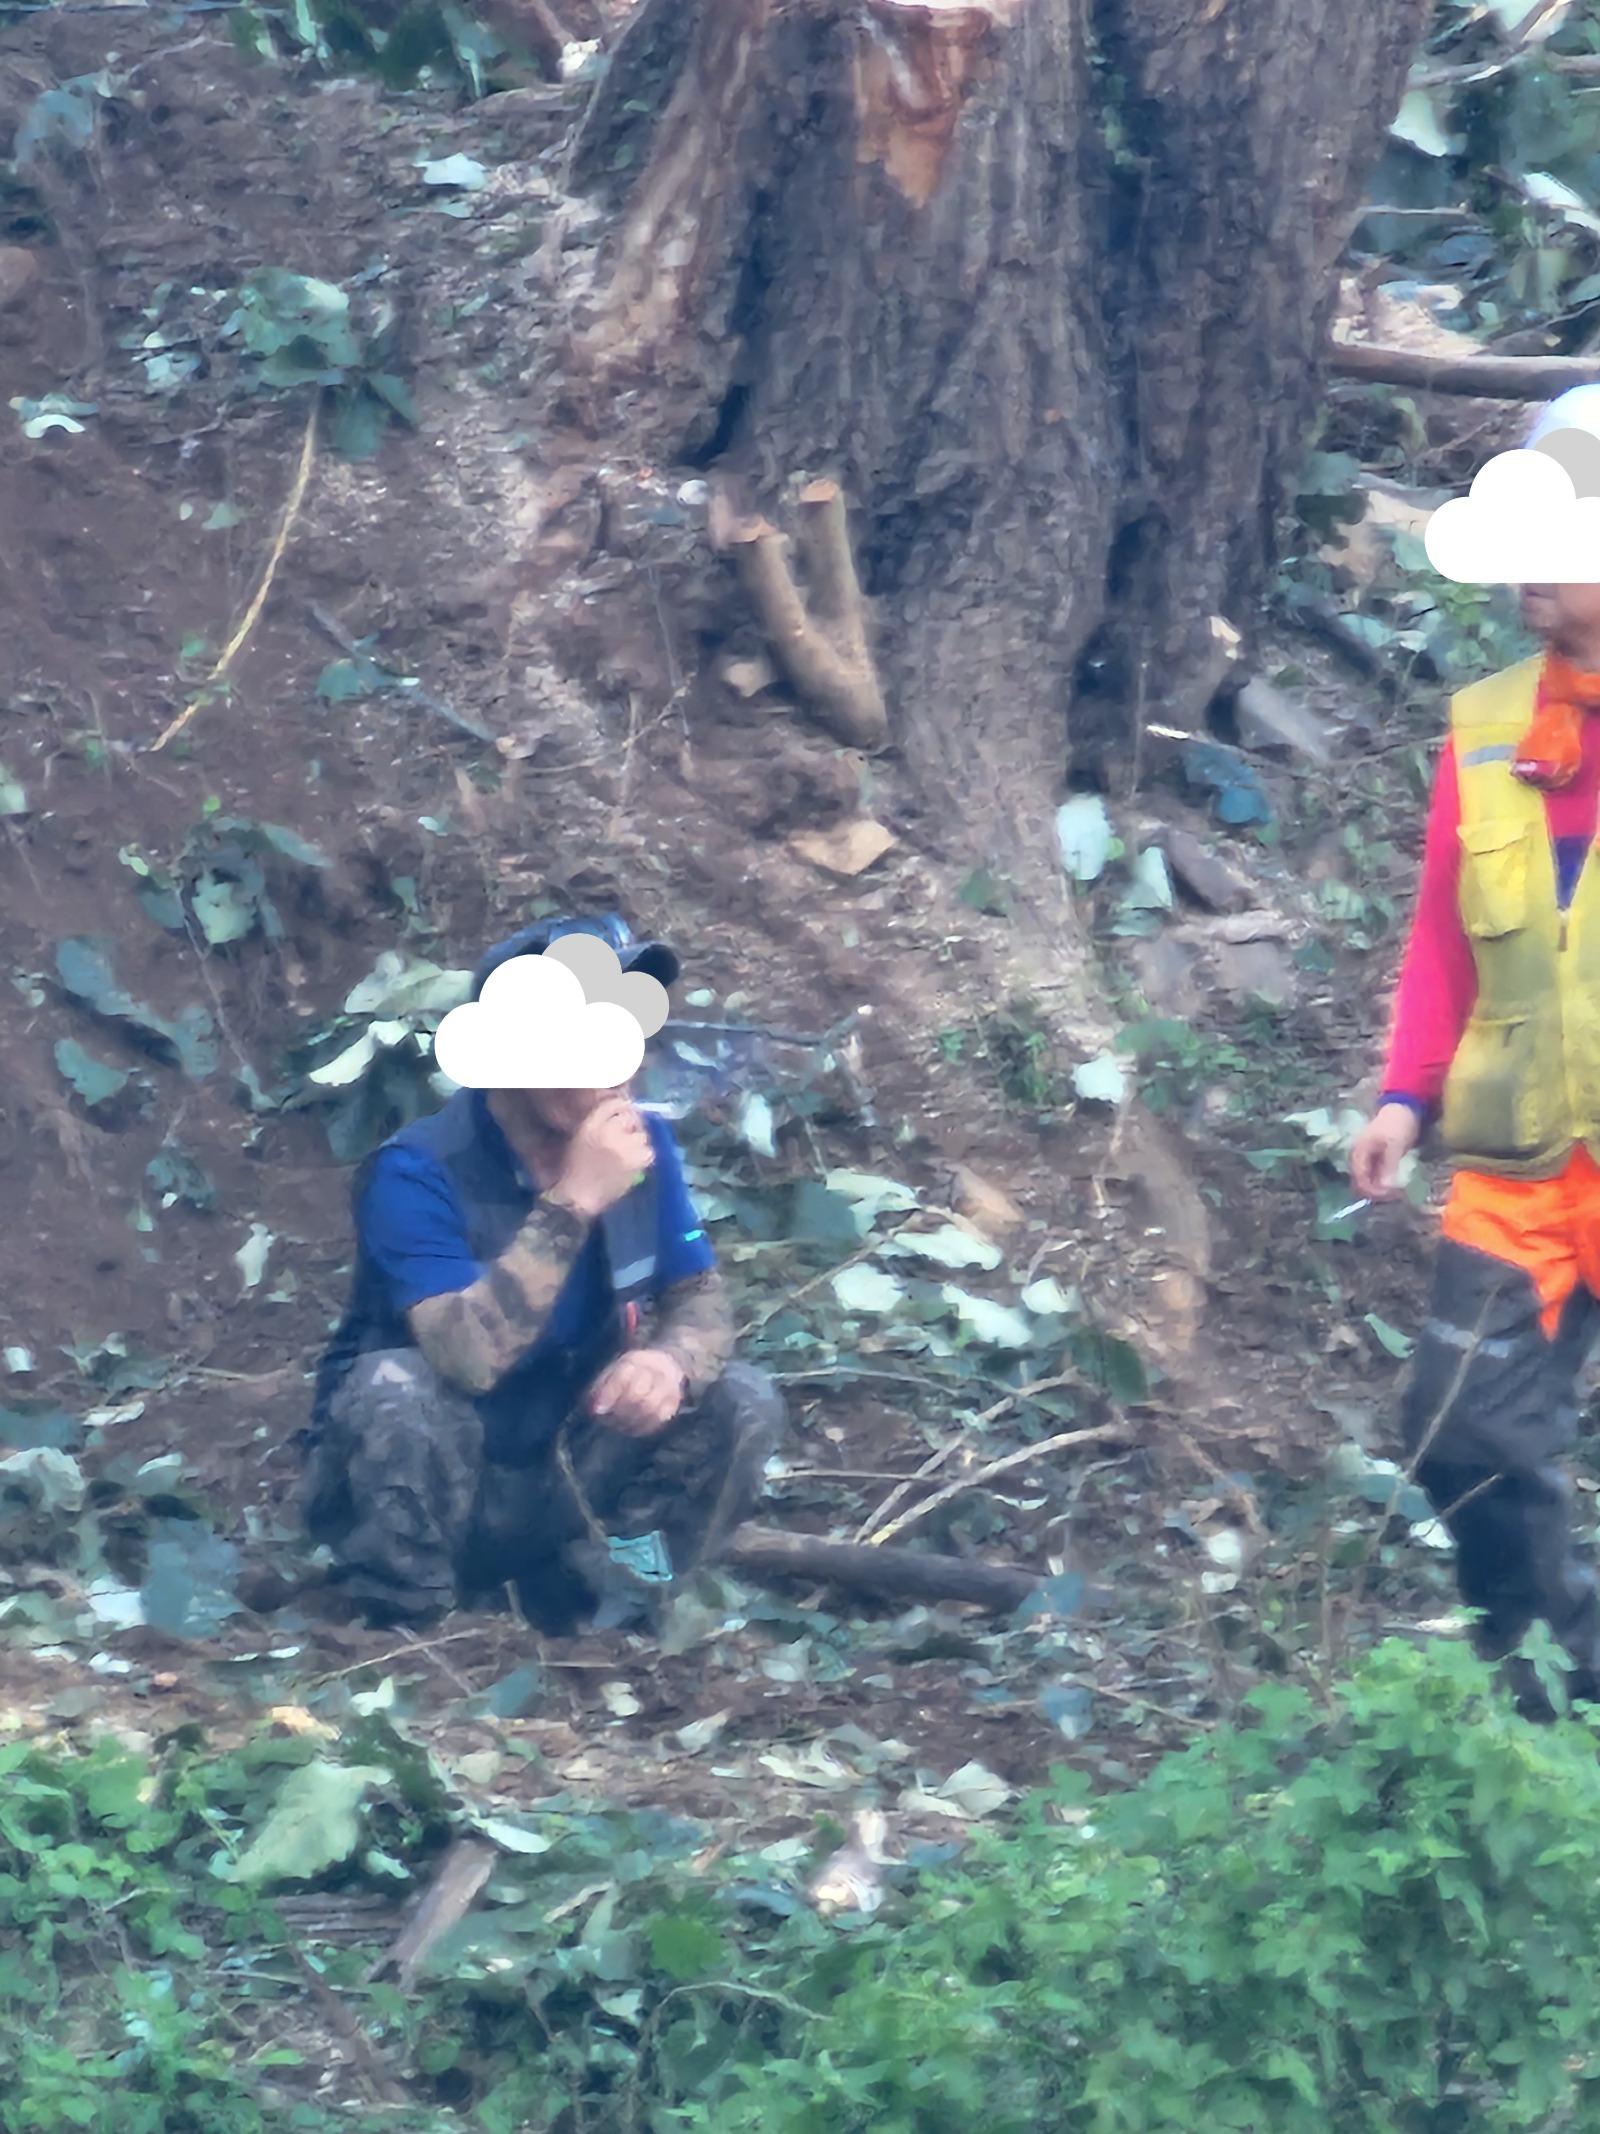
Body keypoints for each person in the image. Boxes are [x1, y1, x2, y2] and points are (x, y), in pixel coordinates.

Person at [301, 914, 783, 1631]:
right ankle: (415, 1628)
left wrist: (669, 1363)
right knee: (393, 1389)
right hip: (434, 1481)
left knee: (742, 1400)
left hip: (566, 1465)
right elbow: (466, 1359)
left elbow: (701, 1299)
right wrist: (573, 1201)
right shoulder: (415, 1170)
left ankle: (607, 1600)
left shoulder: (642, 1145)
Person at [1350, 388, 1600, 1713]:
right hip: (1520, 1159)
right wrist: (1406, 1092)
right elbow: (1443, 934)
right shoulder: (1487, 726)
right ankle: (1549, 1693)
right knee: (1458, 1430)